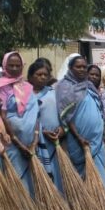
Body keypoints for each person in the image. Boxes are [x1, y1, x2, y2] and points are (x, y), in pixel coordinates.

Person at [0, 52, 39, 196]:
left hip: (31, 143)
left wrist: (35, 141)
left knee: (33, 180)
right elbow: (3, 116)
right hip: (13, 144)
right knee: (17, 180)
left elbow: (36, 114)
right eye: (10, 65)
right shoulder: (0, 86)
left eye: (17, 65)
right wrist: (17, 142)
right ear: (4, 66)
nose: (14, 68)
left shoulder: (28, 87)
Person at [58, 55, 105, 187]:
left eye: (84, 67)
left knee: (100, 178)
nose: (81, 69)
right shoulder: (64, 87)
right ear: (70, 68)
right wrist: (79, 137)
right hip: (78, 141)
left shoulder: (89, 86)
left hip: (97, 140)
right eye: (78, 67)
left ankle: (102, 206)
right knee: (80, 180)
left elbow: (100, 111)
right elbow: (66, 117)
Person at [28, 60, 65, 192]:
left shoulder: (53, 93)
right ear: (31, 76)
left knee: (55, 173)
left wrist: (62, 129)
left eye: (45, 74)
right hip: (34, 143)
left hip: (54, 143)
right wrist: (41, 132)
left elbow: (63, 116)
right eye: (39, 74)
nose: (43, 77)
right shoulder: (25, 95)